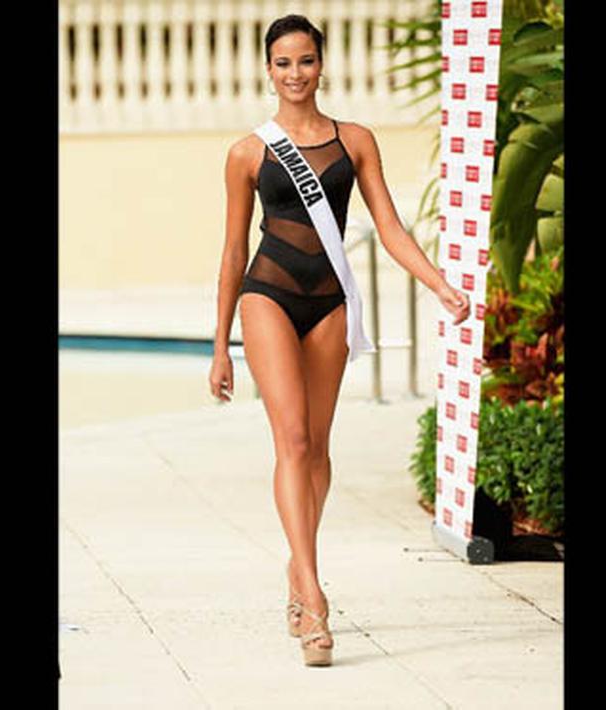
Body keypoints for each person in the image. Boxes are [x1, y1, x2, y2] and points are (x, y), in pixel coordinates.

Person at [208, 14, 471, 667]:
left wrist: (440, 284)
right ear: (267, 70)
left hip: (329, 304)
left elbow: (389, 226)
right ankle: (314, 598)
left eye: (304, 61)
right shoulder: (248, 152)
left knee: (318, 451)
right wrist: (218, 344)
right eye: (282, 63)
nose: (294, 74)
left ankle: (296, 578)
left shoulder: (354, 142)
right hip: (266, 295)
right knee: (291, 440)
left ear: (321, 65)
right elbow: (233, 247)